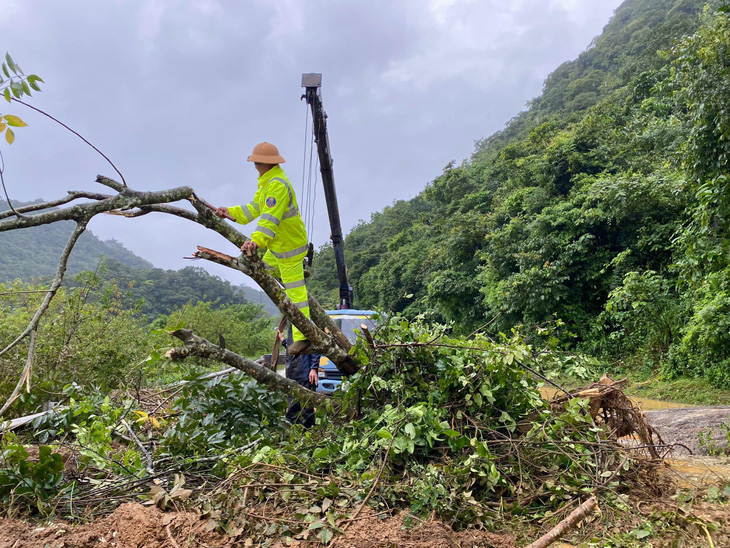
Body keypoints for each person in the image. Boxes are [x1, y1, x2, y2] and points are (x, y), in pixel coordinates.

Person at [215, 142, 311, 355]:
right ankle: (293, 271)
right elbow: (255, 208)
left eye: (256, 162)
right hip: (279, 245)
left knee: (296, 293)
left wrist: (255, 241)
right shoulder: (267, 183)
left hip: (290, 247)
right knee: (263, 271)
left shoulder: (277, 185)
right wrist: (230, 212)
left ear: (264, 163)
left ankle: (305, 337)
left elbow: (270, 219)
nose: (254, 165)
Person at [280, 326, 320, 428]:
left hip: (304, 372)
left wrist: (314, 368)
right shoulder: (292, 327)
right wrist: (283, 341)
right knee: (292, 406)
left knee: (306, 406)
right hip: (292, 373)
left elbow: (315, 345)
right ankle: (292, 433)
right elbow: (293, 347)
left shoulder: (303, 322)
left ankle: (310, 432)